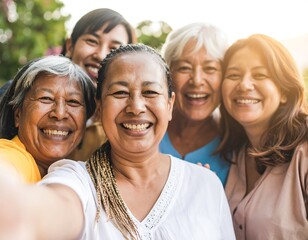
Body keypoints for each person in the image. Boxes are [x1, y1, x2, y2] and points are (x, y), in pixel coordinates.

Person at [0, 44, 235, 240]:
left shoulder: (206, 184)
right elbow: (50, 210)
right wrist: (19, 209)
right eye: (120, 93)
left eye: (150, 93)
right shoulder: (78, 181)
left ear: (170, 105)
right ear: (100, 107)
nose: (136, 107)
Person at [218, 34, 308, 239]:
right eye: (233, 75)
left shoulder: (304, 151)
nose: (244, 85)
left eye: (259, 75)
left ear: (285, 91)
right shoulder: (234, 152)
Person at [0, 55, 96, 183]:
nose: (60, 113)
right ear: (18, 115)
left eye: (73, 101)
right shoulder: (11, 158)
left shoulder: (71, 176)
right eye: (46, 98)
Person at [159, 22, 230, 185]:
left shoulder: (237, 142)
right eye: (184, 68)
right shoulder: (146, 129)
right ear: (168, 74)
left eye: (210, 68)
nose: (197, 80)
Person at [62, 8, 138, 161]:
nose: (101, 55)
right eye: (92, 41)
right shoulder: (26, 94)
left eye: (115, 48)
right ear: (70, 46)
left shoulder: (130, 119)